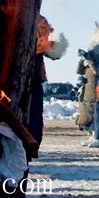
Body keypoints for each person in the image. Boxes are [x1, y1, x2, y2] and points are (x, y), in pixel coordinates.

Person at [28, 16, 67, 150]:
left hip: (30, 79)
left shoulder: (37, 20)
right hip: (24, 79)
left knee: (33, 124)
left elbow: (55, 51)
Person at [75, 22, 99, 148]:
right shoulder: (94, 51)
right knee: (86, 111)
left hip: (97, 86)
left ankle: (97, 136)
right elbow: (79, 71)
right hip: (88, 87)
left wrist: (89, 60)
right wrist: (82, 59)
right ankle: (91, 135)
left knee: (94, 111)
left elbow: (98, 70)